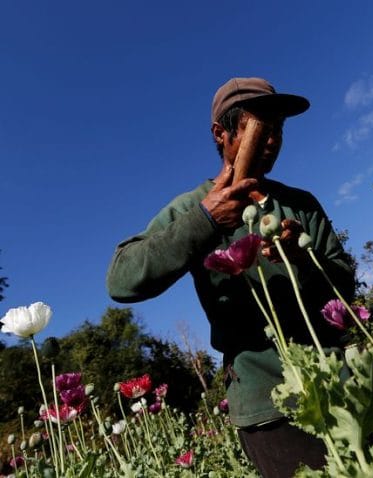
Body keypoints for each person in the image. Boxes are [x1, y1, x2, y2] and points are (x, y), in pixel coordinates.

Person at [106, 77, 355, 477]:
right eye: (260, 127)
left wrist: (302, 258)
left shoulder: (301, 205)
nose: (272, 139)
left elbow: (345, 290)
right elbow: (121, 279)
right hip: (269, 405)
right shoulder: (194, 207)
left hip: (338, 383)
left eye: (278, 129)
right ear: (220, 134)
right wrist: (206, 221)